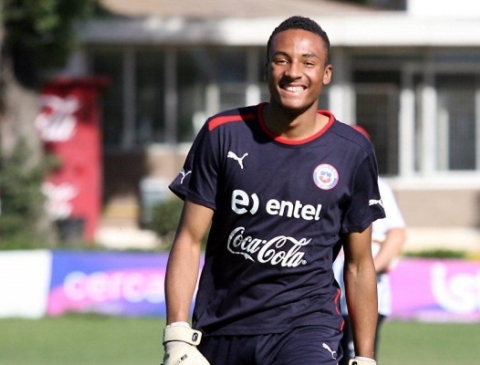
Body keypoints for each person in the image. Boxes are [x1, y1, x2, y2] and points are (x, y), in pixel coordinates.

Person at [161, 16, 385, 365]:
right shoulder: (223, 134)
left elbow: (359, 264)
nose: (294, 72)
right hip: (222, 327)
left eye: (308, 62)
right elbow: (189, 239)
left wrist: (366, 357)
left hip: (307, 328)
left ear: (326, 74)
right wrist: (176, 333)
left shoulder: (352, 151)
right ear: (267, 69)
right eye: (282, 60)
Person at [333, 125, 407, 364]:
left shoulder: (377, 185)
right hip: (327, 298)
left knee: (355, 356)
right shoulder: (325, 178)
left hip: (361, 297)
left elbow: (396, 233)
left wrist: (370, 271)